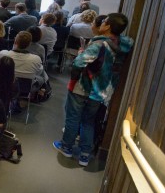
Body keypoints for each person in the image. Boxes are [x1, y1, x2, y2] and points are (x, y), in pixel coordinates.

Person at [54, 13, 133, 166]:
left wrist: (81, 54)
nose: (101, 23)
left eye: (104, 21)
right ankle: (85, 155)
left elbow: (79, 63)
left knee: (73, 118)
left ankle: (67, 147)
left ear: (108, 26)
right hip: (101, 91)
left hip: (84, 87)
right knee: (88, 121)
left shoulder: (99, 44)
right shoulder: (121, 44)